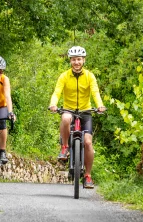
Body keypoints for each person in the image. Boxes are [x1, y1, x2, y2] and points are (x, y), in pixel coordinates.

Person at [48, 46, 106, 189]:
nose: (76, 62)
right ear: (70, 61)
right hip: (69, 109)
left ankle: (87, 176)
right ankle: (65, 147)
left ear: (83, 60)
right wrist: (53, 104)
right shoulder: (64, 76)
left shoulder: (89, 76)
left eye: (79, 59)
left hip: (86, 112)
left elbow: (95, 92)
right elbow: (57, 92)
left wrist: (100, 105)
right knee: (66, 118)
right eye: (74, 60)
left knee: (88, 143)